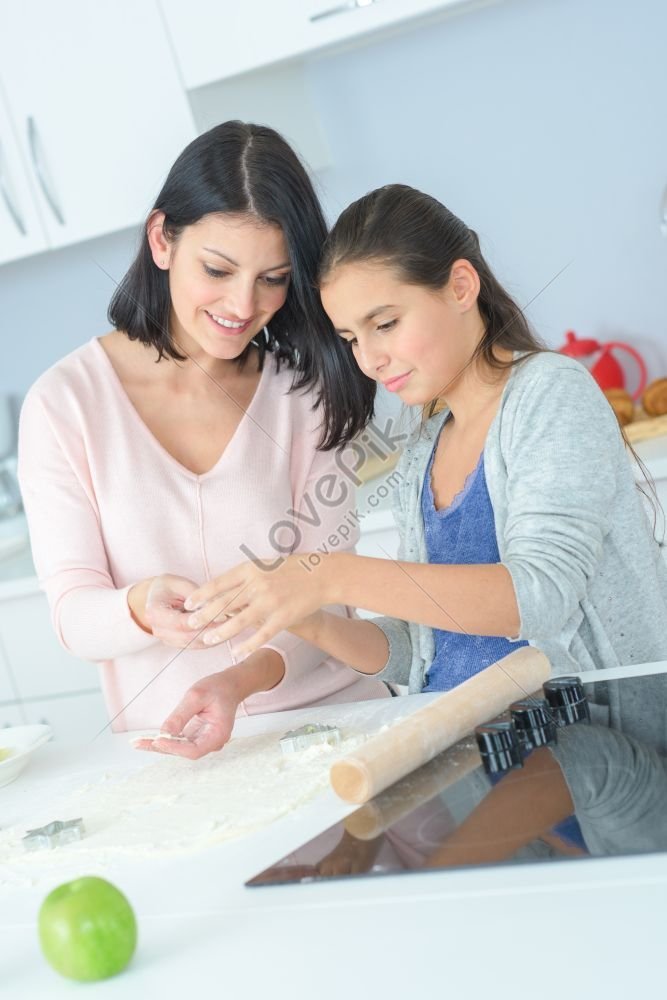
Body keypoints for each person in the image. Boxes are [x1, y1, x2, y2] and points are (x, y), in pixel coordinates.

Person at [181, 182, 667, 711]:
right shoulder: (424, 447)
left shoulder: (550, 392)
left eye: (385, 324)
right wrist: (303, 615)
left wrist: (330, 575)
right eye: (351, 339)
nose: (370, 359)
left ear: (461, 286)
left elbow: (540, 596)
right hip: (470, 740)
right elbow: (424, 652)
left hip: (595, 747)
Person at [17, 121, 389, 755]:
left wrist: (237, 681)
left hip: (337, 731)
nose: (243, 305)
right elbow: (74, 617)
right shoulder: (65, 404)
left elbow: (326, 603)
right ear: (162, 240)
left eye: (273, 278)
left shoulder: (304, 393)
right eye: (217, 269)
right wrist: (136, 606)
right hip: (176, 758)